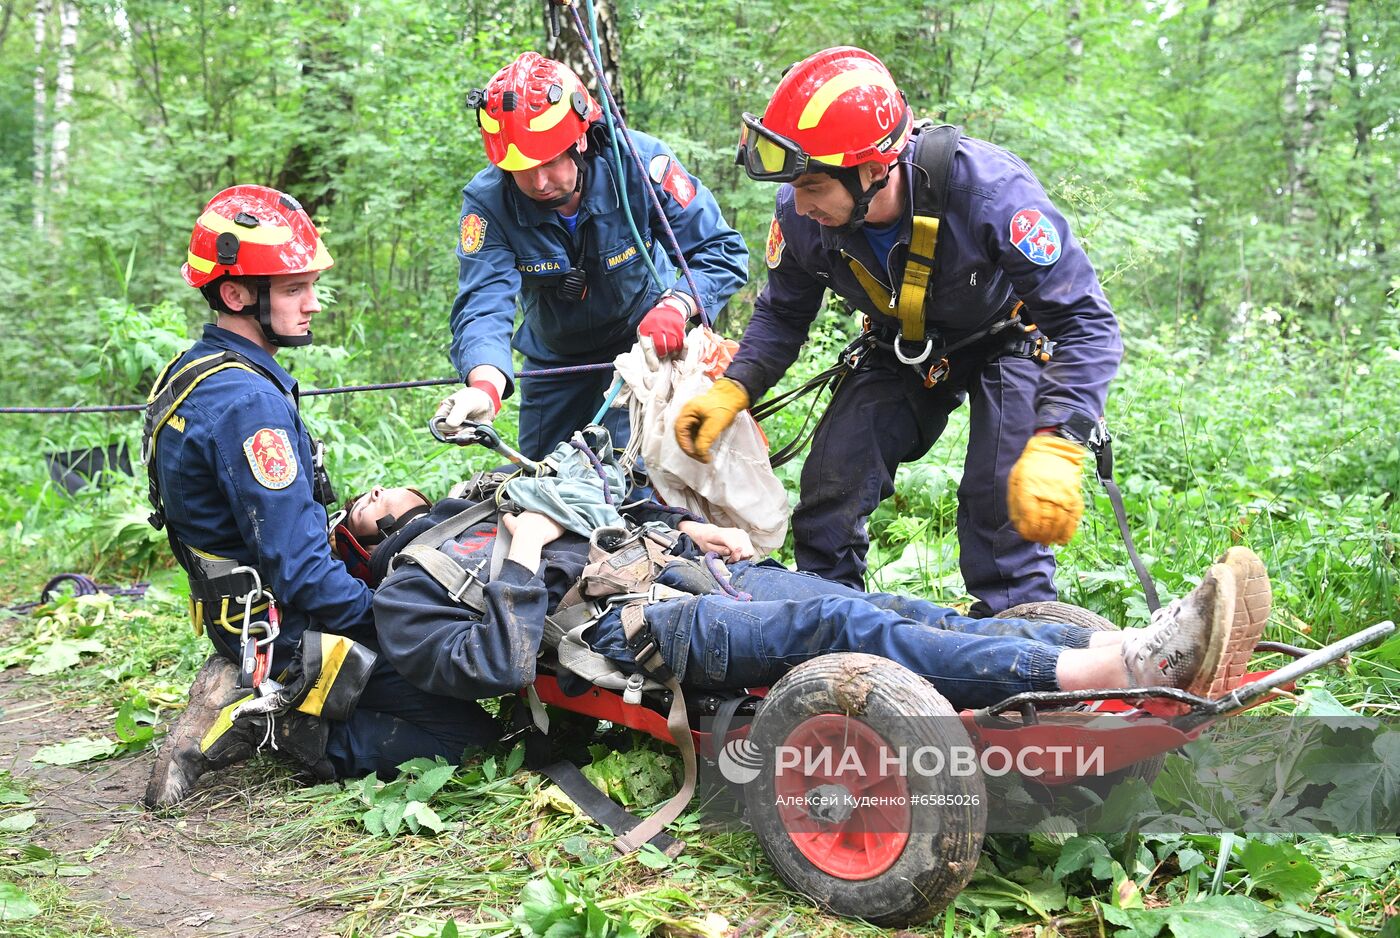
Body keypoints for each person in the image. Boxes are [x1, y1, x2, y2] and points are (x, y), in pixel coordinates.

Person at [674, 47, 1124, 617]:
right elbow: (784, 313)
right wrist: (735, 388)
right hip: (901, 347)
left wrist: (1061, 437)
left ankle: (1021, 645)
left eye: (813, 186)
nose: (799, 203)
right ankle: (827, 626)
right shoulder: (800, 214)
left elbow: (1086, 323)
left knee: (1001, 501)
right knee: (832, 484)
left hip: (1007, 337)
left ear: (872, 168)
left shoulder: (991, 193)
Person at [141, 185, 497, 809]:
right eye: (292, 289)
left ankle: (248, 677)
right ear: (236, 294)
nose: (312, 303)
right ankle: (290, 727)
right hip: (288, 632)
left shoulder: (194, 373)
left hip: (243, 619)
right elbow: (303, 574)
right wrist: (399, 624)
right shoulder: (250, 405)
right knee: (476, 738)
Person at [357, 483, 1269, 722]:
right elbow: (496, 668)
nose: (385, 492)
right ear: (366, 542)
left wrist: (680, 531)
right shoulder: (408, 593)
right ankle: (1109, 667)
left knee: (888, 602)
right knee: (842, 628)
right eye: (365, 504)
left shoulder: (487, 504)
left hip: (680, 576)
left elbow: (609, 517)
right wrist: (519, 564)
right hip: (632, 637)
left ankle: (1101, 655)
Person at [436, 51, 749, 459]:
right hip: (554, 363)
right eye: (520, 168)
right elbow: (483, 302)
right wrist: (486, 385)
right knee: (542, 484)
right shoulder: (488, 202)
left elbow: (720, 250)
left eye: (549, 162)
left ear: (579, 139)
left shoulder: (638, 165)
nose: (539, 182)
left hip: (640, 353)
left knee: (629, 485)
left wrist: (678, 304)